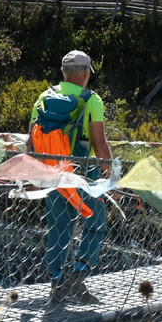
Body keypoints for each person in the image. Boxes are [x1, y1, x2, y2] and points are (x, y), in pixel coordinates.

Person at [27, 50, 113, 305]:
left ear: (64, 73)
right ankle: (78, 278)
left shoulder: (44, 96)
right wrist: (111, 179)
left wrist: (35, 174)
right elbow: (99, 143)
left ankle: (56, 283)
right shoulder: (91, 100)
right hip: (84, 173)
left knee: (58, 227)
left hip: (53, 173)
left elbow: (31, 140)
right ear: (86, 72)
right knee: (95, 224)